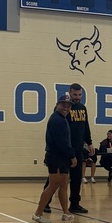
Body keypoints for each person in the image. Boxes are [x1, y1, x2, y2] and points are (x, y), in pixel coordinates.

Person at [43, 83, 93, 214]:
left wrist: (89, 143)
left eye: (80, 94)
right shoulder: (63, 110)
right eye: (75, 94)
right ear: (70, 93)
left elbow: (86, 126)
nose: (78, 97)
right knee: (55, 178)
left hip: (78, 149)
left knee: (76, 178)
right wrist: (67, 151)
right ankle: (45, 203)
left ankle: (74, 204)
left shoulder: (82, 108)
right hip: (65, 150)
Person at [32, 95, 77, 223]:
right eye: (63, 105)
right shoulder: (57, 120)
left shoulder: (62, 119)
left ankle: (66, 213)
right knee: (53, 185)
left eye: (68, 106)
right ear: (57, 105)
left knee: (63, 185)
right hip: (56, 157)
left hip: (62, 157)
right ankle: (38, 214)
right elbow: (61, 142)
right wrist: (72, 156)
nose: (66, 108)